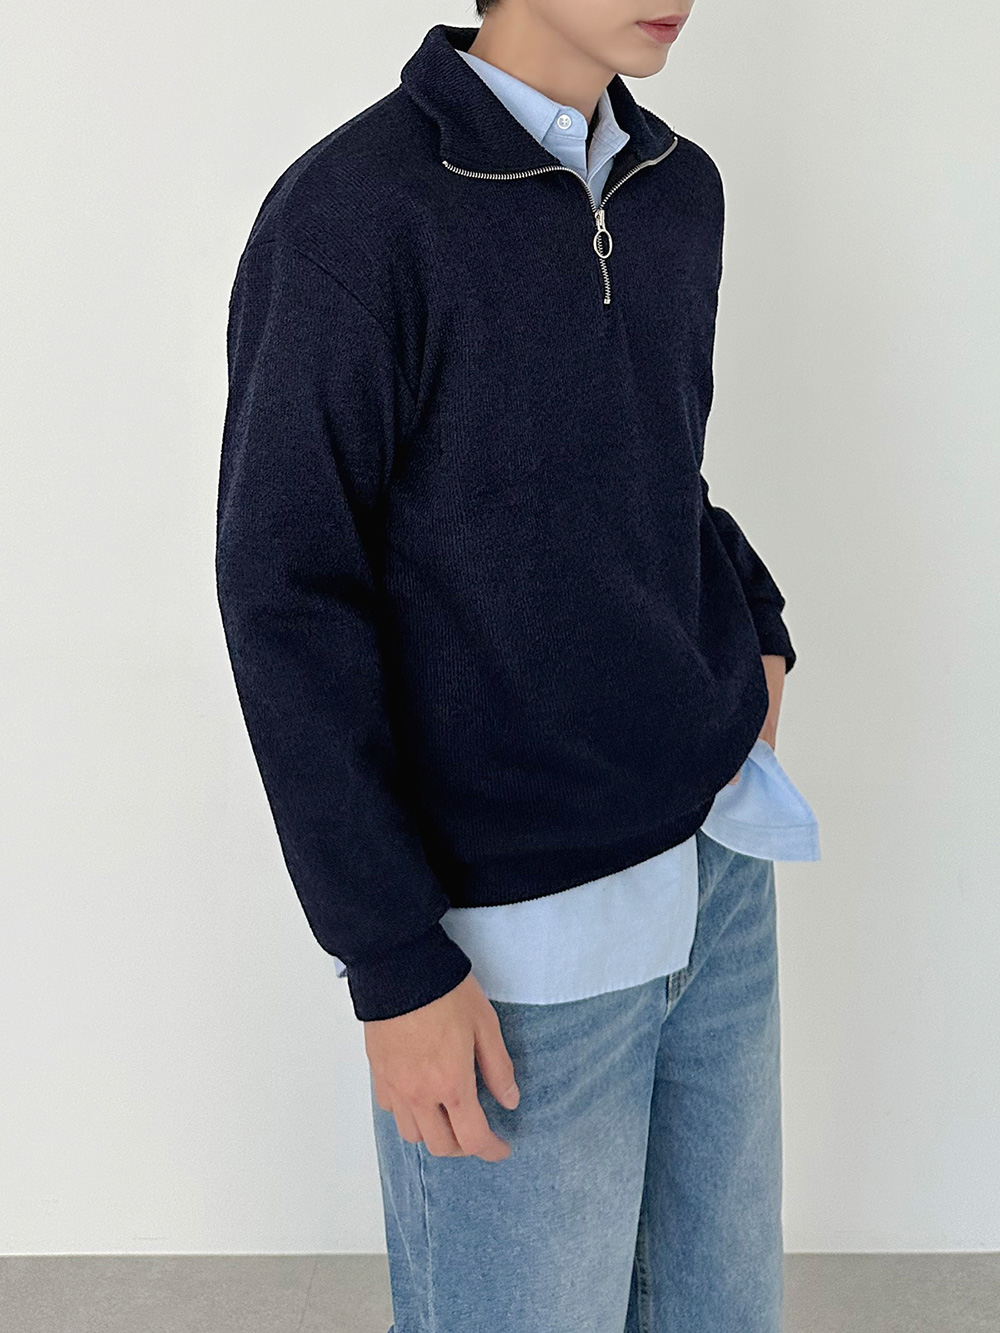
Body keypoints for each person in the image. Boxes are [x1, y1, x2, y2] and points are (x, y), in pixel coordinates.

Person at [215, 4, 819, 1329]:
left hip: (717, 882)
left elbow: (656, 474)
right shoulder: (351, 219)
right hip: (516, 942)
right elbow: (286, 599)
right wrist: (391, 962)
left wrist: (757, 618)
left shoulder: (678, 192)